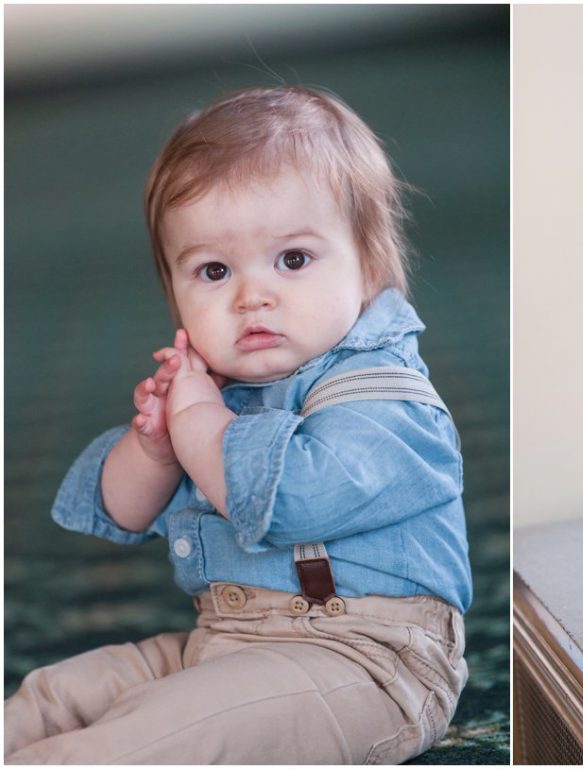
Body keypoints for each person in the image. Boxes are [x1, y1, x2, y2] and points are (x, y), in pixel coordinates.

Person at [5, 86, 471, 764]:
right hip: (223, 640)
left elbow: (288, 500)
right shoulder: (226, 391)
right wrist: (156, 445)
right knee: (55, 696)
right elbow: (122, 511)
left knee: (144, 736)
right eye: (214, 271)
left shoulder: (388, 396)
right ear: (175, 291)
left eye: (292, 259)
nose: (252, 296)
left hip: (368, 664)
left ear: (368, 266)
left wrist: (196, 418)